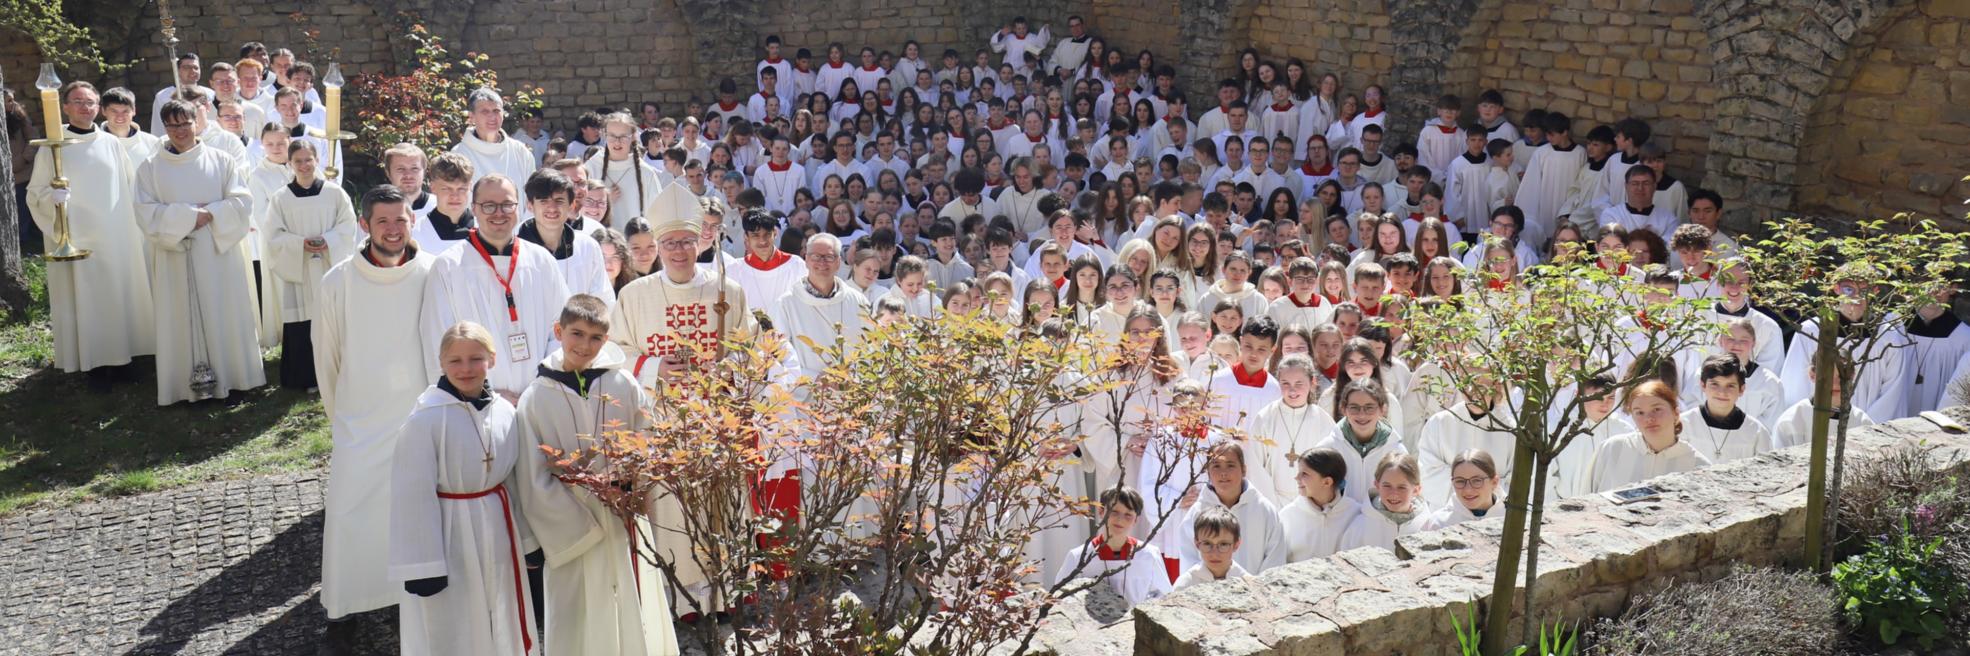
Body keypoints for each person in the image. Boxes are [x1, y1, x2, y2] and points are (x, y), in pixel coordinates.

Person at [513, 295, 680, 655]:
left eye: (595, 338)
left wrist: (626, 482)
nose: (584, 345)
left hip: (621, 511)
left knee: (631, 604)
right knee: (577, 610)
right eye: (576, 334)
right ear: (558, 331)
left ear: (606, 341)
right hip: (571, 522)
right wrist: (573, 524)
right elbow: (530, 473)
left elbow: (646, 437)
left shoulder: (622, 383)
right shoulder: (536, 395)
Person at [313, 185, 435, 637]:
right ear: (364, 225)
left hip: (419, 415)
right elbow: (327, 359)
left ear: (412, 221)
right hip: (360, 418)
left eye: (400, 219)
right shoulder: (338, 281)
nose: (392, 229)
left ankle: (415, 601)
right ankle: (344, 611)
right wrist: (343, 415)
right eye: (382, 221)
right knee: (350, 512)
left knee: (418, 512)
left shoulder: (433, 272)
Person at [389, 321, 542, 656]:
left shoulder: (505, 412)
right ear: (441, 363)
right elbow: (411, 497)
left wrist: (529, 542)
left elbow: (515, 481)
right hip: (448, 533)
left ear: (492, 359)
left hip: (499, 528)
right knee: (453, 623)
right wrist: (423, 567)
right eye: (455, 360)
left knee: (501, 613)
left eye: (476, 358)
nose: (466, 368)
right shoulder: (425, 420)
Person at [26, 80, 156, 390]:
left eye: (91, 102)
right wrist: (51, 199)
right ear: (66, 108)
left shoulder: (110, 143)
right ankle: (95, 365)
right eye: (79, 102)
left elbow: (129, 187)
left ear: (98, 107)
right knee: (88, 302)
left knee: (119, 295)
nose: (86, 108)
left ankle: (126, 359)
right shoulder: (52, 146)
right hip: (79, 237)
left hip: (116, 235)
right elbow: (36, 193)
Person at [135, 98, 263, 405]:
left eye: (185, 123)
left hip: (217, 253)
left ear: (197, 123)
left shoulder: (221, 160)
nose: (179, 130)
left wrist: (212, 214)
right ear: (164, 127)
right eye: (172, 125)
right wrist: (190, 217)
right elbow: (145, 212)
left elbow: (242, 202)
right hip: (176, 254)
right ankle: (184, 386)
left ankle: (234, 379)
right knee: (180, 315)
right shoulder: (150, 168)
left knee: (224, 311)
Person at [420, 174, 571, 402]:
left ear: (519, 207)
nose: (499, 213)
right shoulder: (449, 266)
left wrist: (543, 385)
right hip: (477, 403)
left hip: (540, 399)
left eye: (507, 204)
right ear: (474, 209)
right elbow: (437, 342)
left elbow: (562, 329)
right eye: (489, 206)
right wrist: (482, 395)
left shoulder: (540, 261)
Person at [266, 140, 357, 389]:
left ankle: (340, 374)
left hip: (329, 266)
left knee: (334, 320)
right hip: (301, 270)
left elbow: (347, 228)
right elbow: (273, 236)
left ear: (317, 160)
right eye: (298, 161)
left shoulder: (334, 193)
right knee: (302, 324)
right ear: (289, 163)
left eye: (308, 160)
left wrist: (328, 241)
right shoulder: (281, 198)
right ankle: (305, 377)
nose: (304, 165)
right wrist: (300, 244)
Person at [1176, 441, 1287, 575]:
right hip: (1208, 593)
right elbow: (1189, 561)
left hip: (1256, 592)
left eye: (1230, 465)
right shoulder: (1197, 513)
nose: (1223, 473)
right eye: (1216, 466)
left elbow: (1275, 559)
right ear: (1208, 471)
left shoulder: (1264, 510)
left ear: (1244, 470)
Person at [1052, 487, 1173, 608]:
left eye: (1128, 515)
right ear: (1101, 511)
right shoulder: (1078, 557)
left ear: (1136, 519)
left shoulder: (1149, 555)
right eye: (1114, 512)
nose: (1120, 520)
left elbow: (1165, 598)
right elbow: (1060, 599)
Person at [1588, 380, 1712, 493]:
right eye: (1639, 412)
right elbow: (1586, 497)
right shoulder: (1612, 449)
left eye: (1657, 409)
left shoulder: (1698, 466)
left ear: (1676, 412)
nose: (1649, 419)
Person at [777, 232, 870, 381]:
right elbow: (779, 357)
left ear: (838, 262)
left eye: (829, 257)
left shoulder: (858, 301)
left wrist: (851, 375)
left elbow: (870, 348)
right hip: (807, 395)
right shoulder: (785, 304)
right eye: (815, 256)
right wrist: (816, 378)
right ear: (806, 259)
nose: (822, 262)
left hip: (851, 393)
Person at [1246, 355, 1338, 502]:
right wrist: (1271, 503)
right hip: (1272, 501)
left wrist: (1316, 500)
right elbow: (1255, 466)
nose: (1292, 390)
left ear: (1312, 382)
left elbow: (1331, 465)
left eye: (1299, 384)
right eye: (1285, 383)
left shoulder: (1322, 420)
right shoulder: (1265, 418)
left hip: (1312, 502)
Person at [1417, 378, 1519, 509]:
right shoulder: (1439, 423)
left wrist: (1486, 498)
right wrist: (1470, 491)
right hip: (1448, 515)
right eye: (1467, 385)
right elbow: (1428, 471)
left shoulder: (1510, 429)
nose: (1472, 392)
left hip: (1495, 515)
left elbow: (1516, 481)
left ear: (1496, 385)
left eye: (1480, 386)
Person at [517, 170, 614, 305]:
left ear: (572, 205)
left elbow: (603, 300)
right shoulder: (513, 249)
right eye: (543, 201)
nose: (552, 208)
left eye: (559, 200)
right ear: (530, 205)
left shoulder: (587, 247)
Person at [1311, 379, 1407, 506]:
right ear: (1343, 409)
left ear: (1382, 409)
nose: (1362, 415)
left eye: (1369, 407)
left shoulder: (1396, 452)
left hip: (1380, 524)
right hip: (1338, 523)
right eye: (1354, 408)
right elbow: (1312, 495)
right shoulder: (1327, 449)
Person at [451, 88, 539, 208]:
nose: (492, 117)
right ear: (471, 117)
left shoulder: (520, 151)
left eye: (496, 111)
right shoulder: (458, 155)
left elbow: (533, 197)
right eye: (485, 112)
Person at [1679, 353, 1772, 464]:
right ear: (1702, 385)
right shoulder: (1684, 425)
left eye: (1730, 385)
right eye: (1714, 384)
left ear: (1742, 389)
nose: (1722, 392)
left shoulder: (1756, 432)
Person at [1339, 452, 1436, 551]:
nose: (1394, 493)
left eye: (1402, 487)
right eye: (1387, 486)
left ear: (1416, 490)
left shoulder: (1427, 527)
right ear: (1377, 485)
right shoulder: (1359, 527)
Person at [1513, 112, 1583, 247]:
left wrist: (1569, 210)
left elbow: (1580, 185)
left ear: (1564, 132)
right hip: (1544, 207)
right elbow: (1531, 185)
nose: (1548, 138)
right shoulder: (1542, 153)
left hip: (1568, 207)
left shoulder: (1579, 153)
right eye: (1547, 134)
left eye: (1552, 134)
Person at [1770, 361, 1876, 450]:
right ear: (1812, 375)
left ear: (1852, 376)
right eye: (1828, 374)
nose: (1835, 383)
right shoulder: (1790, 422)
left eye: (1842, 376)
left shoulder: (1863, 423)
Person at [1278, 448, 1361, 562]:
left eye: (1304, 474)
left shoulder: (1355, 514)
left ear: (1327, 482)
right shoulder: (1287, 516)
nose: (1296, 478)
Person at [582, 112, 661, 224]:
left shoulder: (646, 172)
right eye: (612, 136)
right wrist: (605, 200)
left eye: (623, 137)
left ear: (633, 137)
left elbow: (657, 214)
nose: (617, 142)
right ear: (604, 135)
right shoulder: (591, 167)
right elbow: (577, 207)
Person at [1900, 284, 1967, 417]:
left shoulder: (1964, 337)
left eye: (1941, 285)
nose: (1933, 291)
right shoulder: (1891, 328)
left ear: (1952, 289)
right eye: (1928, 284)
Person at [412, 152, 479, 255]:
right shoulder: (415, 234)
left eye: (461, 188)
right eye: (446, 189)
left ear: (470, 187)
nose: (455, 196)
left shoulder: (486, 231)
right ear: (433, 187)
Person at [1173, 508, 1251, 590]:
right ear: (1196, 544)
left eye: (1223, 544)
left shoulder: (1248, 584)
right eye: (1207, 544)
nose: (1214, 553)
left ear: (1236, 545)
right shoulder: (1185, 586)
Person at [1427, 449, 1501, 529]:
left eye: (1476, 481)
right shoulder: (1438, 524)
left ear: (1494, 482)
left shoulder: (1511, 519)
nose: (1468, 490)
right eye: (1460, 481)